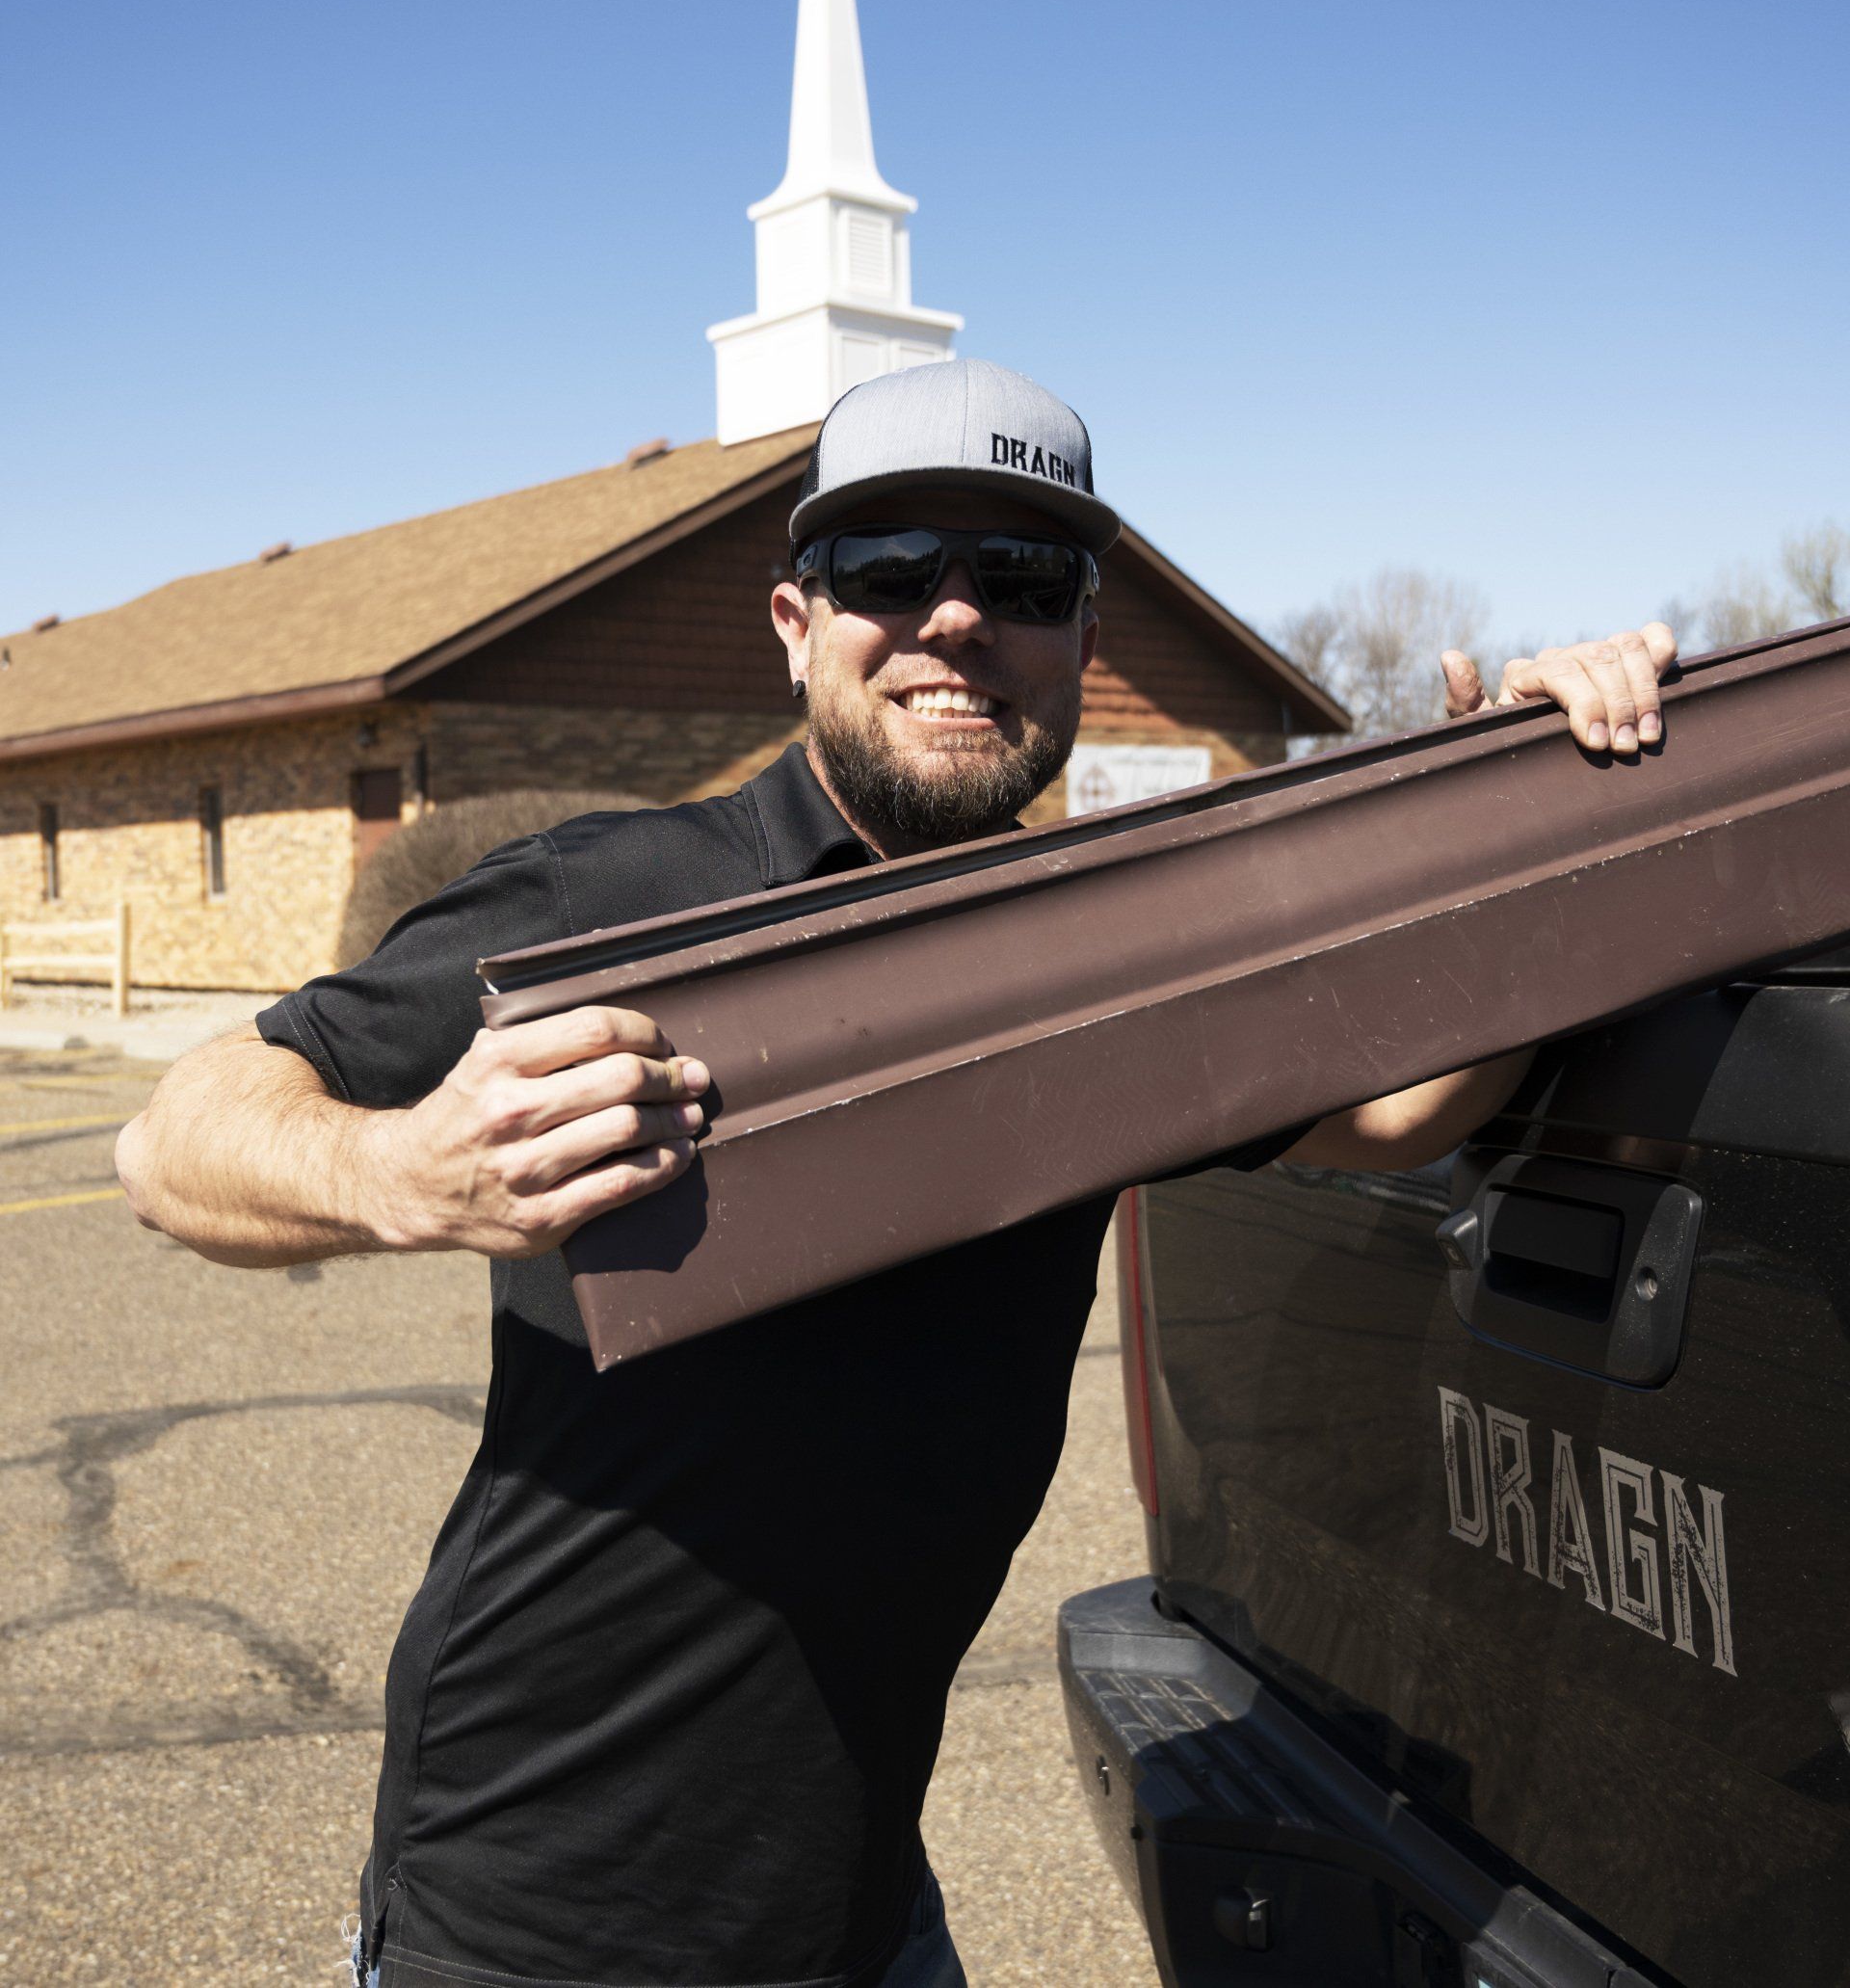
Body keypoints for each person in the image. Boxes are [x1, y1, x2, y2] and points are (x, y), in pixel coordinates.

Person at [117, 358, 1677, 1988]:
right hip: (535, 1929)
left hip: (867, 1919)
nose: (954, 620)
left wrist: (1551, 799)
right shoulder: (621, 895)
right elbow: (176, 1136)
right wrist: (401, 1170)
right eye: (890, 571)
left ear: (1083, 636)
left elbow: (1396, 1113)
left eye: (1020, 579)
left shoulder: (1114, 970)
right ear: (797, 622)